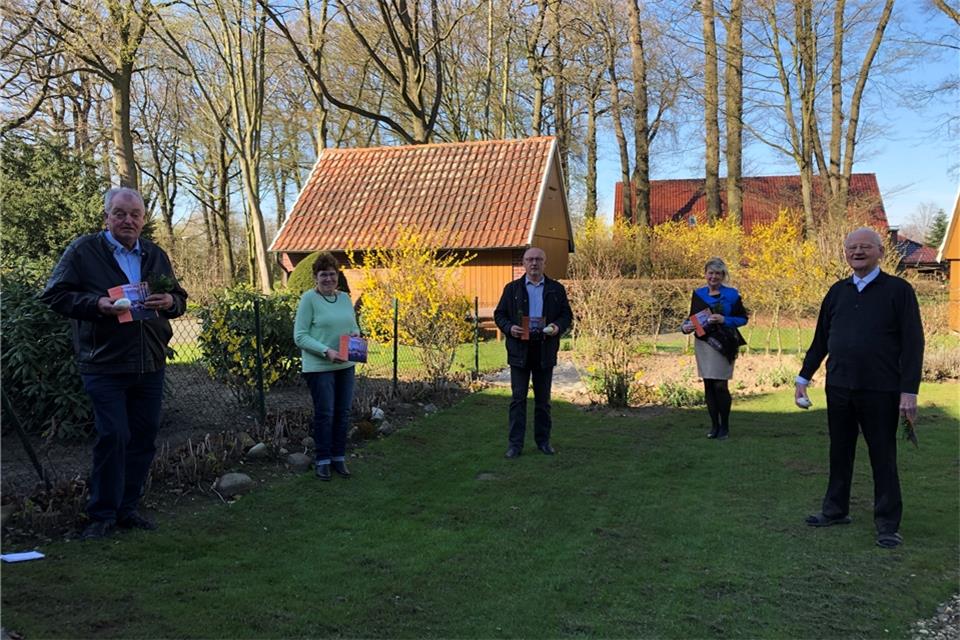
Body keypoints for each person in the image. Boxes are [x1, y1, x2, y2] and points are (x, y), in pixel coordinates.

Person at [41, 187, 188, 540]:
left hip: (149, 362)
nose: (128, 220)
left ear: (143, 219)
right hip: (104, 363)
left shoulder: (154, 254)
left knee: (143, 438)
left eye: (135, 214)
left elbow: (180, 299)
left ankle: (128, 509)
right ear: (106, 217)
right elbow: (55, 295)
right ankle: (101, 514)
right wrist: (96, 306)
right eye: (120, 213)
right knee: (113, 436)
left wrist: (169, 300)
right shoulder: (83, 251)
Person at [796, 227, 924, 549]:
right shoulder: (837, 292)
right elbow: (821, 339)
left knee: (883, 457)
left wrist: (909, 391)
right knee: (839, 453)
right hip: (839, 387)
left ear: (881, 251)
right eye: (851, 247)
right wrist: (803, 377)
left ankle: (887, 524)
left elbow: (913, 343)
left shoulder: (899, 290)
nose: (857, 252)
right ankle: (835, 510)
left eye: (865, 247)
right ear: (845, 253)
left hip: (881, 390)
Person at [494, 247, 573, 458]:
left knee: (543, 401)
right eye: (530, 259)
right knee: (518, 400)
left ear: (545, 263)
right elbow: (499, 314)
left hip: (545, 351)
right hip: (519, 351)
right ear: (524, 263)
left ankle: (543, 442)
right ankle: (515, 445)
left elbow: (567, 315)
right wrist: (510, 328)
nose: (534, 263)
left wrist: (557, 326)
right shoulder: (512, 289)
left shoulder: (556, 289)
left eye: (538, 259)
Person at [294, 252, 361, 481]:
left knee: (342, 413)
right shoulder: (308, 300)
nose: (329, 279)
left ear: (337, 276)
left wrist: (355, 336)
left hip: (346, 364)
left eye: (332, 274)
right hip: (319, 367)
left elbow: (354, 327)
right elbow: (300, 336)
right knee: (325, 413)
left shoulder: (343, 299)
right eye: (324, 275)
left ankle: (338, 458)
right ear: (315, 276)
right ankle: (322, 460)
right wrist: (326, 351)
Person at [680, 257, 748, 440]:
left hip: (723, 343)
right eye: (710, 273)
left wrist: (725, 319)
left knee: (720, 385)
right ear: (705, 274)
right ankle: (714, 426)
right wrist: (685, 327)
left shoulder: (732, 295)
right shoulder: (699, 294)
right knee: (708, 385)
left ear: (723, 275)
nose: (714, 277)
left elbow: (743, 318)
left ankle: (725, 426)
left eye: (718, 273)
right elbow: (691, 318)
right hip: (704, 343)